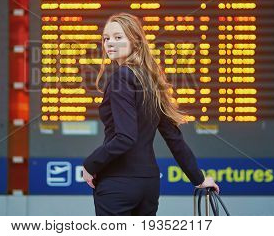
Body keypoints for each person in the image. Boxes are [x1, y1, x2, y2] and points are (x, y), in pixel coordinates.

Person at [82, 12, 219, 216]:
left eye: (118, 37)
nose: (110, 43)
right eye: (106, 38)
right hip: (148, 187)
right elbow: (173, 137)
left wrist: (90, 164)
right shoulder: (151, 81)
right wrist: (198, 179)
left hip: (118, 184)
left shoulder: (121, 77)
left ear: (135, 41)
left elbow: (125, 137)